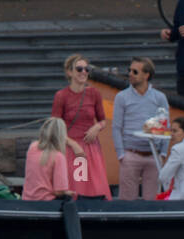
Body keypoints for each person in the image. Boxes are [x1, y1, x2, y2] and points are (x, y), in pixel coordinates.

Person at [50, 54, 112, 200]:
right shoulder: (61, 96)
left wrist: (97, 127)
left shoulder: (93, 93)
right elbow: (55, 126)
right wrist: (73, 144)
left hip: (91, 148)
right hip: (74, 149)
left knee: (95, 185)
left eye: (86, 69)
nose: (84, 72)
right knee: (80, 185)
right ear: (69, 72)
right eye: (79, 69)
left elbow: (103, 120)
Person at [113, 57, 170, 200]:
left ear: (147, 75)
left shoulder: (160, 97)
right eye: (129, 70)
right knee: (126, 202)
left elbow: (166, 127)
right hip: (130, 154)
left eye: (135, 71)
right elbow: (116, 127)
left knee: (152, 202)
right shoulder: (121, 97)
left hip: (153, 156)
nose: (130, 74)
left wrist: (162, 154)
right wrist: (121, 155)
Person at [22, 117, 74, 201]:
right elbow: (59, 191)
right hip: (47, 203)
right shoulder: (58, 157)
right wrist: (66, 192)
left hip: (27, 199)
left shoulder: (32, 147)